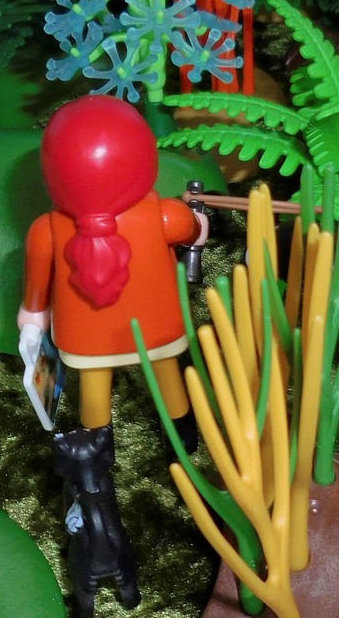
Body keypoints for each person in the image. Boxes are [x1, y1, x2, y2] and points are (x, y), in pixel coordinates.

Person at [17, 94, 207, 433]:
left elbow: (35, 294)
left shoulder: (45, 231)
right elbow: (193, 230)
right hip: (157, 327)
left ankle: (95, 450)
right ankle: (183, 434)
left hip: (85, 337)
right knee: (168, 377)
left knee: (94, 390)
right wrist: (199, 222)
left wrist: (32, 319)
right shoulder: (167, 215)